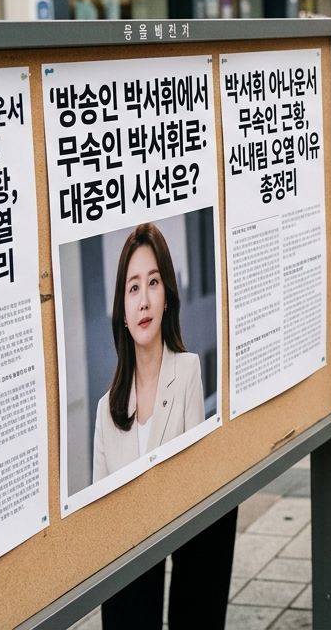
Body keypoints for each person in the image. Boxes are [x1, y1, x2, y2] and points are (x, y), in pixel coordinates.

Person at [96, 224, 234, 630]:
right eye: (133, 287)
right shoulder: (107, 409)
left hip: (180, 529)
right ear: (121, 309)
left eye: (153, 282)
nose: (143, 300)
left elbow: (191, 479)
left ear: (167, 296)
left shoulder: (187, 368)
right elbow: (101, 520)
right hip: (129, 550)